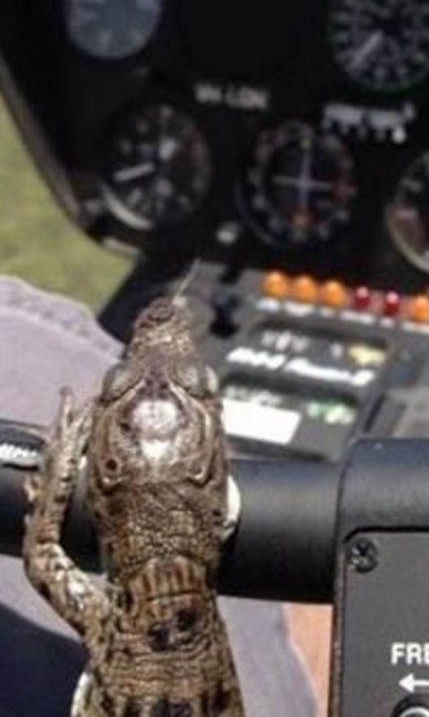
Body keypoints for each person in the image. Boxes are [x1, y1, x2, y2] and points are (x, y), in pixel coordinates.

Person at [0, 277, 330, 717]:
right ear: (218, 506)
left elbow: (42, 553)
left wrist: (58, 465)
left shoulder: (107, 626)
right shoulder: (106, 624)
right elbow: (42, 558)